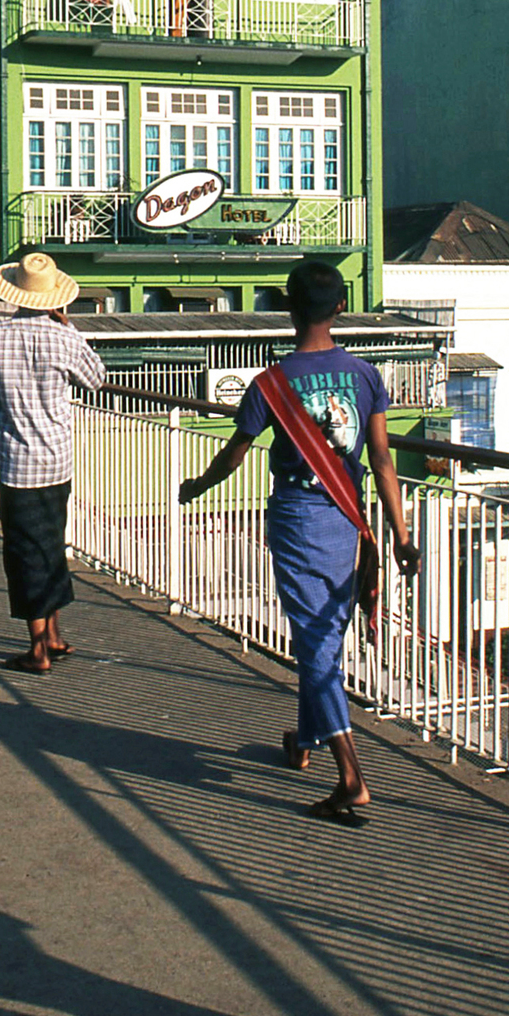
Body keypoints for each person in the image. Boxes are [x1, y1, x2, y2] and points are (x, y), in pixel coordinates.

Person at [181, 260, 420, 824]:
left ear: (286, 308)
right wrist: (401, 537)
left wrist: (197, 485)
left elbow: (233, 454)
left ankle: (352, 778)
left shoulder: (271, 383)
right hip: (349, 519)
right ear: (340, 308)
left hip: (296, 518)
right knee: (326, 636)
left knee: (314, 643)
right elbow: (383, 461)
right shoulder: (364, 376)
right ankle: (307, 739)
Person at [0, 253, 106, 673]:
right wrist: (70, 329)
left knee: (24, 553)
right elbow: (95, 378)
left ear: (16, 295)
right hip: (58, 460)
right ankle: (54, 635)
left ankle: (38, 649)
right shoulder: (65, 336)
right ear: (55, 298)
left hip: (16, 462)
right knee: (51, 543)